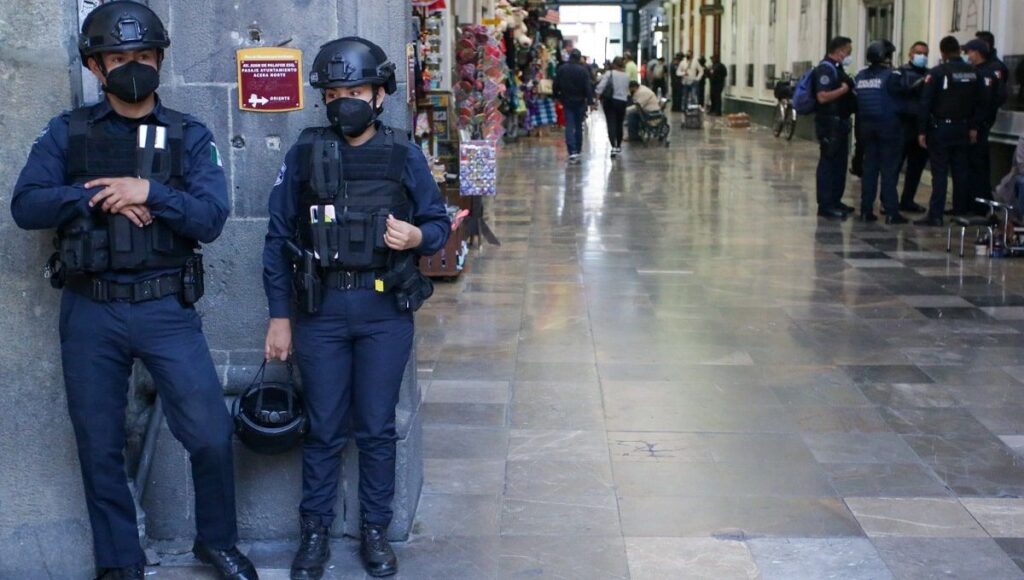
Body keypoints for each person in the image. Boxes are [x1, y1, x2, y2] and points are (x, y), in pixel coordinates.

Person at [9, 3, 255, 579]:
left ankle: (216, 542)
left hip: (165, 306)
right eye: (119, 58)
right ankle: (120, 562)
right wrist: (98, 194)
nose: (132, 67)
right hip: (90, 309)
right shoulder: (66, 134)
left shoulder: (189, 136)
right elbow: (26, 205)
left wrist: (150, 192)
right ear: (96, 67)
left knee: (211, 434)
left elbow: (212, 217)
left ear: (160, 60)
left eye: (143, 56)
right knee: (99, 445)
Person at [263, 37, 450, 579]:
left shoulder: (403, 153)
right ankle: (315, 532)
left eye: (357, 90)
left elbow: (438, 223)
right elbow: (277, 238)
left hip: (383, 310)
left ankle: (374, 528)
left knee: (375, 427)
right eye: (336, 91)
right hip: (320, 309)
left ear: (380, 94)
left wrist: (417, 234)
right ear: (323, 97)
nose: (346, 100)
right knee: (323, 427)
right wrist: (280, 316)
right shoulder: (304, 153)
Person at [914, 36, 985, 227]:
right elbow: (979, 102)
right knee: (960, 171)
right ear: (958, 50)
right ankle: (960, 211)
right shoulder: (973, 73)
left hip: (941, 129)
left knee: (940, 172)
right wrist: (973, 127)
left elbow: (925, 102)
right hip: (963, 128)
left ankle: (935, 215)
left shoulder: (937, 73)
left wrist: (921, 130)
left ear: (943, 52)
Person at [853, 40, 913, 224]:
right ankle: (892, 212)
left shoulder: (860, 76)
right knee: (889, 170)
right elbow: (904, 96)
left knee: (869, 170)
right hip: (889, 128)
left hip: (866, 129)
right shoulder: (892, 76)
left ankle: (865, 210)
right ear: (886, 57)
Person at [812, 37, 856, 220]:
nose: (848, 56)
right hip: (829, 123)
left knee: (839, 164)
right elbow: (822, 97)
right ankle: (825, 205)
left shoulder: (837, 69)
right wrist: (844, 90)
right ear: (839, 52)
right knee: (828, 163)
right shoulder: (825, 69)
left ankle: (835, 200)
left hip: (840, 122)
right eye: (848, 52)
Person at [965, 36, 1007, 214]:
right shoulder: (978, 70)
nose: (968, 55)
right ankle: (973, 202)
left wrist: (975, 125)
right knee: (974, 165)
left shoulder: (986, 73)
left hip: (979, 126)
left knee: (978, 166)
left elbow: (985, 102)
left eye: (969, 52)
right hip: (978, 124)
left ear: (977, 53)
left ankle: (980, 205)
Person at [896, 41, 931, 212]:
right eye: (918, 52)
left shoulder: (930, 75)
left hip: (921, 127)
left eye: (925, 53)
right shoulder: (901, 72)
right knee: (895, 166)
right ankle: (889, 200)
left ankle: (907, 200)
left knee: (915, 168)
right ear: (910, 54)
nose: (922, 56)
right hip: (903, 125)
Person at [553, 48, 595, 164]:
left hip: (566, 100)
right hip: (580, 102)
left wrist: (556, 96)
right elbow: (588, 87)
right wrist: (590, 102)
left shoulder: (562, 69)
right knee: (578, 125)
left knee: (569, 125)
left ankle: (572, 151)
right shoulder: (583, 70)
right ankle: (578, 149)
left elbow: (555, 84)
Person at [595, 57, 631, 157]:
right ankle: (618, 145)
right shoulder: (627, 76)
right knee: (619, 124)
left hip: (610, 101)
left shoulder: (609, 74)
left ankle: (613, 147)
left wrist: (595, 100)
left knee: (611, 123)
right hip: (622, 102)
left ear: (614, 64)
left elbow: (600, 87)